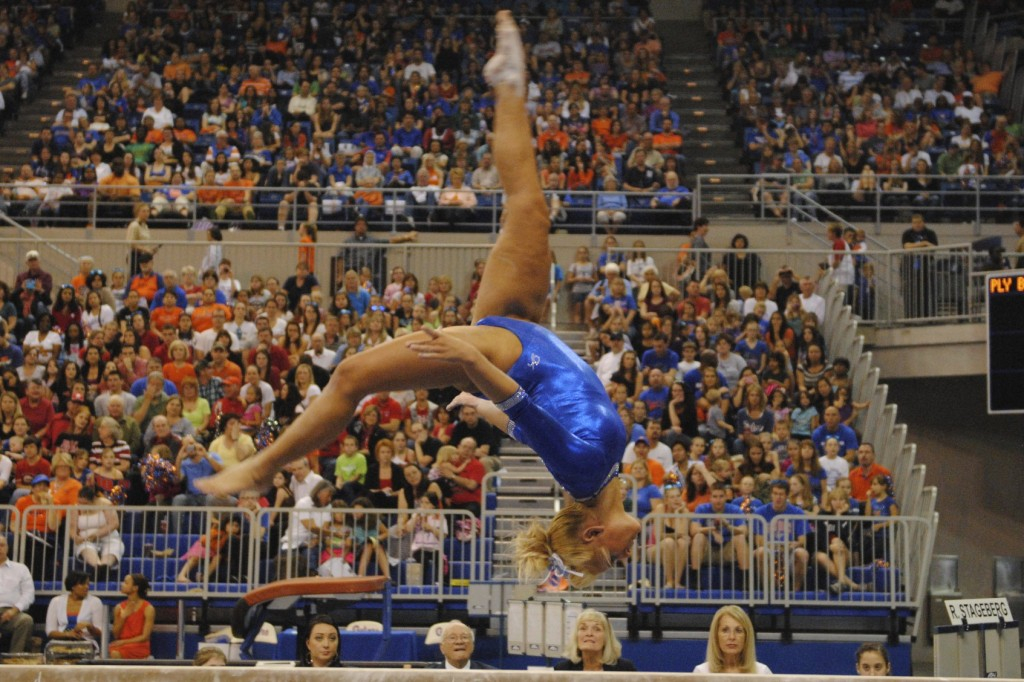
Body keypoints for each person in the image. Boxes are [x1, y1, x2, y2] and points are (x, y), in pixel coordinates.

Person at [200, 12, 640, 590]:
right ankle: (509, 80)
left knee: (353, 377)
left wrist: (464, 359)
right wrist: (482, 407)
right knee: (529, 204)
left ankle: (260, 468)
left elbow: (523, 407)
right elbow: (534, 428)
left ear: (592, 534)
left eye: (616, 558)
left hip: (507, 354)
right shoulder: (603, 477)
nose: (628, 555)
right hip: (520, 332)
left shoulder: (585, 476)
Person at [694, 605, 772, 674]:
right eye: (725, 630)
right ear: (716, 636)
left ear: (746, 636)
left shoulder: (761, 672)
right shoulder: (702, 672)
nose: (732, 637)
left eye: (738, 630)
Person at [554, 608, 637, 671]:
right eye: (583, 628)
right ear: (576, 637)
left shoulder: (624, 669)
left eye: (597, 629)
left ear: (606, 638)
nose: (589, 633)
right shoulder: (563, 669)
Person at [45, 570, 104, 642]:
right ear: (73, 586)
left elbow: (100, 633)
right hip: (60, 642)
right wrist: (68, 634)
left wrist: (89, 626)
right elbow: (50, 632)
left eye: (88, 584)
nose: (87, 587)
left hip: (86, 642)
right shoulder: (56, 601)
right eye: (82, 584)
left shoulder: (95, 602)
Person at [0, 535, 35, 654]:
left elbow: (29, 594)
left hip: (12, 613)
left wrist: (14, 610)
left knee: (25, 620)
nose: (0, 548)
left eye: (2, 545)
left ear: (7, 548)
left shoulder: (20, 569)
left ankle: (14, 659)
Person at [901, 213, 939, 318]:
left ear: (923, 222)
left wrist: (922, 245)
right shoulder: (907, 233)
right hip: (911, 268)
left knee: (928, 293)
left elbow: (934, 247)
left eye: (919, 222)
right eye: (914, 223)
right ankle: (910, 317)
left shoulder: (930, 233)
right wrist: (924, 244)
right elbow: (906, 246)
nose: (917, 225)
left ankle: (929, 316)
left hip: (927, 267)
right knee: (911, 293)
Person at [109, 573, 155, 659]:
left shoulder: (148, 608)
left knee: (115, 653)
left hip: (139, 646)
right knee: (111, 650)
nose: (122, 585)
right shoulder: (118, 608)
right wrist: (123, 616)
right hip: (122, 645)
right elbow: (116, 635)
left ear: (135, 588)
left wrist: (124, 642)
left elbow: (145, 637)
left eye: (126, 583)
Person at [428, 620, 494, 670]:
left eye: (464, 637)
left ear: (473, 646)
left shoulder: (491, 675)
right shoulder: (427, 677)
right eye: (452, 637)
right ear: (442, 648)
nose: (459, 642)